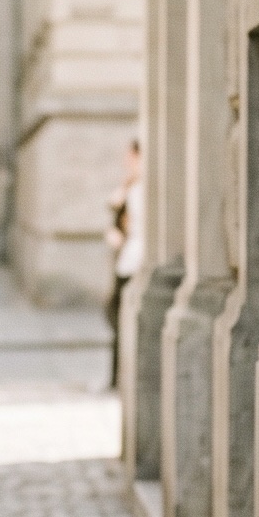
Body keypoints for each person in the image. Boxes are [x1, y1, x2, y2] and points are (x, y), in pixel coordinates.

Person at [106, 139, 142, 390]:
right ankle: (116, 378)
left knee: (118, 319)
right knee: (115, 317)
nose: (126, 162)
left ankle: (118, 379)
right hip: (126, 261)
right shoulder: (132, 185)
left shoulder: (139, 189)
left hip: (132, 262)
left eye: (130, 157)